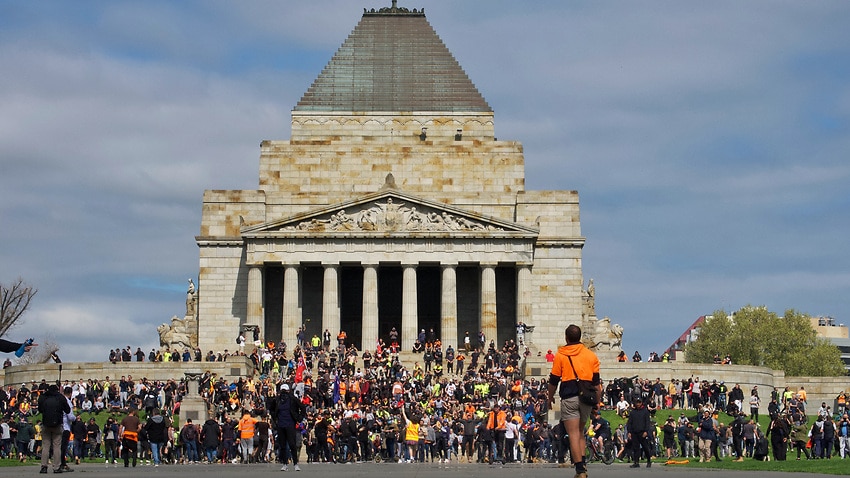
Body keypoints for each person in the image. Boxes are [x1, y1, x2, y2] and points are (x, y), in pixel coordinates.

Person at [547, 324, 601, 478]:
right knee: (580, 432)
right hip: (586, 398)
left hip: (569, 397)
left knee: (573, 434)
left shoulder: (561, 355)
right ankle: (583, 463)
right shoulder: (591, 356)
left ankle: (580, 470)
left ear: (566, 338)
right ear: (580, 337)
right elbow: (597, 384)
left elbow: (553, 380)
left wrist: (550, 397)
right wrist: (597, 403)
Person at [38, 384, 69, 474]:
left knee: (46, 446)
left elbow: (40, 409)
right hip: (57, 424)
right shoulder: (60, 397)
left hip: (46, 424)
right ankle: (56, 467)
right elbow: (67, 410)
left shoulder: (44, 397)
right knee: (57, 446)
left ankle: (44, 466)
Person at [275, 383, 305, 471]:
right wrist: (275, 419)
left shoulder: (293, 399)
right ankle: (285, 463)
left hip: (290, 424)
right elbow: (272, 409)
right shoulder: (277, 400)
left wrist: (299, 418)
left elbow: (302, 407)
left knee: (292, 444)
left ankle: (295, 463)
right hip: (281, 424)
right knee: (283, 445)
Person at [626, 397, 653, 467]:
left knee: (645, 447)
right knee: (635, 448)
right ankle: (636, 462)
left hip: (642, 432)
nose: (638, 404)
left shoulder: (645, 411)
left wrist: (646, 431)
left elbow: (647, 422)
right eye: (637, 402)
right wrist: (629, 432)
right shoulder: (633, 412)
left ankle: (649, 460)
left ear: (641, 403)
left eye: (639, 402)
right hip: (634, 432)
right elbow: (629, 423)